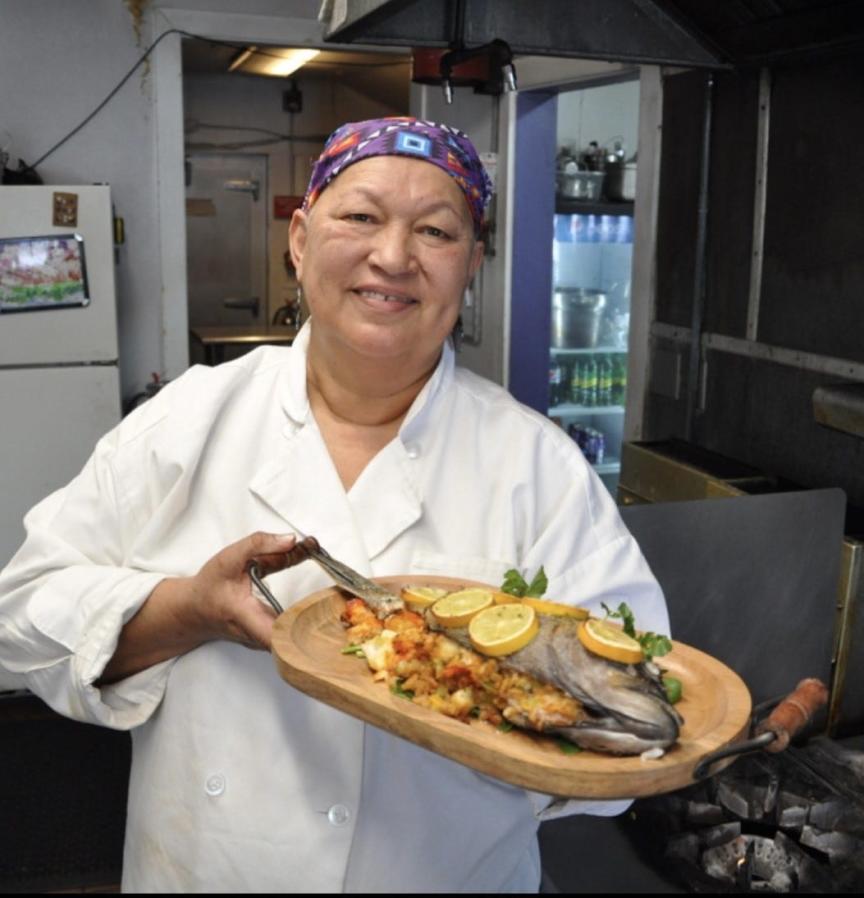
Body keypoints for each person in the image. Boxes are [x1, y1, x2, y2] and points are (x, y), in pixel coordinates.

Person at [0, 117, 669, 892]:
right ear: (300, 237)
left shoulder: (536, 465)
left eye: (436, 231)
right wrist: (189, 609)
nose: (393, 256)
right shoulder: (190, 420)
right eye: (360, 217)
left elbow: (642, 728)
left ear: (472, 264)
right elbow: (20, 621)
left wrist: (506, 702)